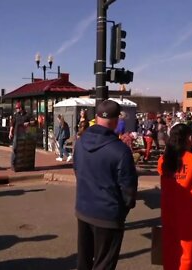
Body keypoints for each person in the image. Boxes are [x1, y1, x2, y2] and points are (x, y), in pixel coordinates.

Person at [73, 100, 138, 270]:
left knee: (84, 262)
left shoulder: (80, 143)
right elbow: (129, 189)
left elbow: (77, 171)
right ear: (116, 121)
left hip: (84, 210)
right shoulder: (121, 151)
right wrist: (123, 210)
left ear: (96, 118)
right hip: (108, 215)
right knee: (104, 264)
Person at [157, 123, 192, 270]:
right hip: (189, 213)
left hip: (168, 211)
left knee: (170, 250)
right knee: (187, 253)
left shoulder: (163, 160)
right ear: (189, 138)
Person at [8, 102, 32, 169]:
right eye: (16, 108)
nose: (16, 109)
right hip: (17, 134)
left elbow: (34, 121)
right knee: (15, 149)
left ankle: (23, 164)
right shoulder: (15, 115)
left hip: (25, 134)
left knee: (24, 149)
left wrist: (29, 123)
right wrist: (10, 132)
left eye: (17, 108)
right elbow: (12, 124)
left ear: (21, 108)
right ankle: (13, 164)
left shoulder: (27, 115)